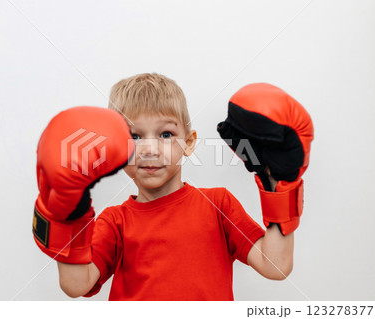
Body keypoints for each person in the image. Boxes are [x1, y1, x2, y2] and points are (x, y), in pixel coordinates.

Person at [32, 73, 313, 301]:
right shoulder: (115, 221)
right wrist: (66, 211)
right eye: (134, 136)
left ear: (189, 142)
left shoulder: (218, 205)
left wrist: (278, 183)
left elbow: (275, 266)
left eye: (166, 134)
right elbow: (76, 285)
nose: (150, 149)